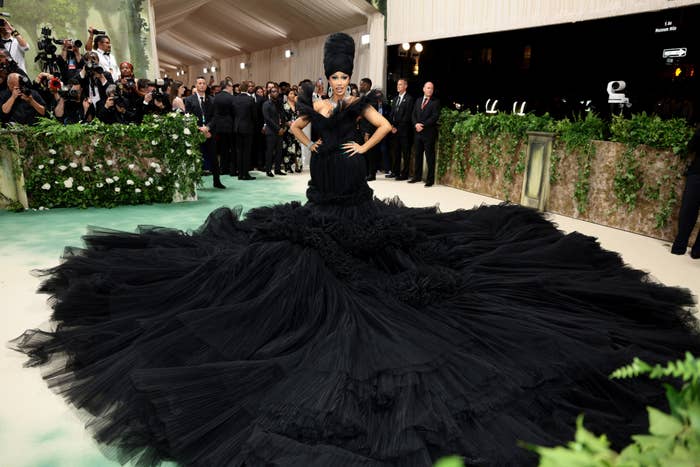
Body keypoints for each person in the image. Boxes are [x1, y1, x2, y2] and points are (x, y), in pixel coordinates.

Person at [10, 32, 700, 467]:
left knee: (383, 272)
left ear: (351, 75)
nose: (339, 82)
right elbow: (294, 123)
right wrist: (317, 142)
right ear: (327, 76)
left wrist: (359, 147)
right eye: (334, 76)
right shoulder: (312, 100)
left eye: (343, 76)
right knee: (290, 268)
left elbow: (382, 131)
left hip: (355, 191)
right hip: (322, 192)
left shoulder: (364, 100)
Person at [671, 127, 700, 258]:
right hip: (697, 173)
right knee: (688, 210)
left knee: (688, 210)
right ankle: (681, 245)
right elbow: (691, 146)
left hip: (697, 174)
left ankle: (697, 250)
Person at [409, 81, 440, 187]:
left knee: (429, 157)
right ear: (423, 89)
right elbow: (413, 114)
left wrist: (422, 125)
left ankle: (430, 180)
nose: (430, 90)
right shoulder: (418, 101)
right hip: (417, 133)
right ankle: (417, 176)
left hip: (428, 133)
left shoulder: (435, 102)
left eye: (431, 88)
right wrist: (416, 124)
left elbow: (434, 117)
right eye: (428, 88)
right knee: (417, 155)